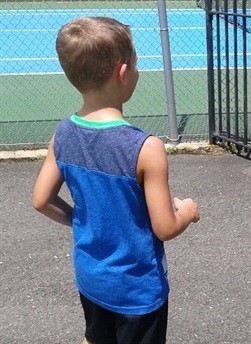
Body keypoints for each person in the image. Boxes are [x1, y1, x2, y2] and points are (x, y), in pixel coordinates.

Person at [32, 16, 199, 344]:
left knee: (96, 337)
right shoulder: (145, 148)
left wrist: (83, 221)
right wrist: (188, 211)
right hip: (136, 288)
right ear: (122, 72)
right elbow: (165, 227)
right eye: (136, 64)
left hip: (90, 277)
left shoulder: (63, 133)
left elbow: (41, 200)